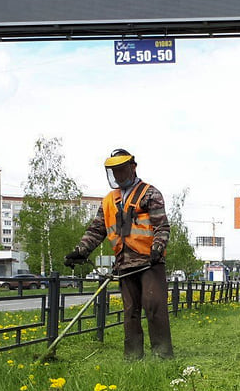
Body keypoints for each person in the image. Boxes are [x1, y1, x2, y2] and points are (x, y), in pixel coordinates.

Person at [64, 149, 173, 360]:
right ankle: (132, 357)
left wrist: (157, 248)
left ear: (133, 168)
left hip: (149, 261)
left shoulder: (150, 194)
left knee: (154, 307)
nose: (118, 175)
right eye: (114, 172)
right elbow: (96, 230)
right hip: (124, 264)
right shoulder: (107, 201)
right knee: (130, 312)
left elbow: (162, 226)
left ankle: (163, 357)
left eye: (122, 170)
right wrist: (81, 251)